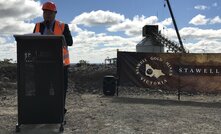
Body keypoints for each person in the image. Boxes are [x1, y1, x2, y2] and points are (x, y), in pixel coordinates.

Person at [33, 1, 73, 114]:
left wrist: (55, 37)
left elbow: (70, 42)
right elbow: (31, 42)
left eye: (50, 12)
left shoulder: (63, 26)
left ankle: (59, 109)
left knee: (59, 89)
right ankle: (44, 109)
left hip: (59, 65)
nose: (47, 15)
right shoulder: (37, 26)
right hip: (42, 64)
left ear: (55, 13)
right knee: (42, 88)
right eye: (45, 12)